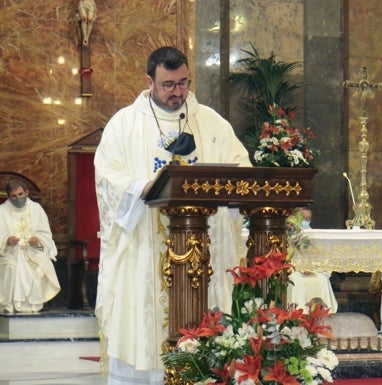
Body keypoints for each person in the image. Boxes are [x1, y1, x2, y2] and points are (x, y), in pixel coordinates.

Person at [94, 46, 251, 385]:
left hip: (203, 251)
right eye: (168, 85)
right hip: (145, 251)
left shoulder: (211, 122)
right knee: (143, 331)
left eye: (183, 83)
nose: (177, 92)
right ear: (149, 81)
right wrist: (145, 187)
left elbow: (242, 168)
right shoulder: (124, 124)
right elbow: (108, 177)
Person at [0, 180, 60, 314]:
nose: (18, 198)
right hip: (10, 253)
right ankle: (10, 306)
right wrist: (6, 240)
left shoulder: (36, 209)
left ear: (27, 193)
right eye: (14, 196)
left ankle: (33, 306)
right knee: (10, 267)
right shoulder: (2, 211)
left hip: (32, 250)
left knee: (40, 266)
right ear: (8, 197)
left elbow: (45, 233)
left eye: (20, 194)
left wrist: (37, 240)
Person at [287, 208, 338, 313]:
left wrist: (313, 268)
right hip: (294, 270)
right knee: (297, 281)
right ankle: (299, 312)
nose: (306, 221)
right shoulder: (288, 234)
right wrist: (298, 269)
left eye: (308, 218)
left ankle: (325, 312)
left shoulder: (315, 235)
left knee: (322, 279)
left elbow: (320, 257)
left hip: (313, 269)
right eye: (304, 218)